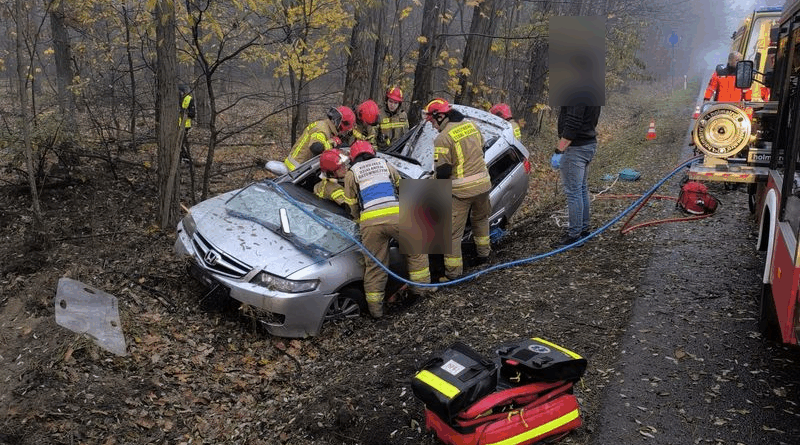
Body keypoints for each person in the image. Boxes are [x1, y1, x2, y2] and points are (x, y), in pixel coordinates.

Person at [343, 141, 435, 318]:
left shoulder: (351, 174)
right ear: (372, 152)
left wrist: (359, 221)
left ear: (353, 158)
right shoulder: (385, 164)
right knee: (416, 251)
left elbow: (351, 205)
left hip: (370, 224)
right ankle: (420, 293)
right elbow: (402, 188)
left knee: (375, 265)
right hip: (396, 216)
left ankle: (376, 311)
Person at [423, 98, 491, 280]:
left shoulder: (443, 138)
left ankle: (453, 274)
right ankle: (484, 256)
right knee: (481, 220)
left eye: (432, 121)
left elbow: (443, 173)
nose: (432, 126)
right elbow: (482, 150)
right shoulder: (472, 126)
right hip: (483, 184)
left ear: (440, 116)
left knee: (452, 235)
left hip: (462, 192)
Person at [550, 105, 602, 248]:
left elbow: (573, 124)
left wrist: (559, 150)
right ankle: (583, 229)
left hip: (575, 148)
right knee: (581, 189)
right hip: (588, 143)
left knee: (574, 192)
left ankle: (574, 235)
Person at [284, 106, 355, 171]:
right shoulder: (322, 129)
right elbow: (316, 147)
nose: (343, 132)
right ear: (340, 124)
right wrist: (332, 143)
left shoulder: (325, 125)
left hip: (297, 166)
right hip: (296, 170)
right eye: (345, 130)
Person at [178, 85, 196, 162]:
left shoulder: (189, 99)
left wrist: (183, 111)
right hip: (176, 124)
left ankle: (186, 158)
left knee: (180, 143)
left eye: (180, 92)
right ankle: (184, 158)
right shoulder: (175, 99)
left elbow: (192, 114)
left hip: (185, 125)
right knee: (178, 143)